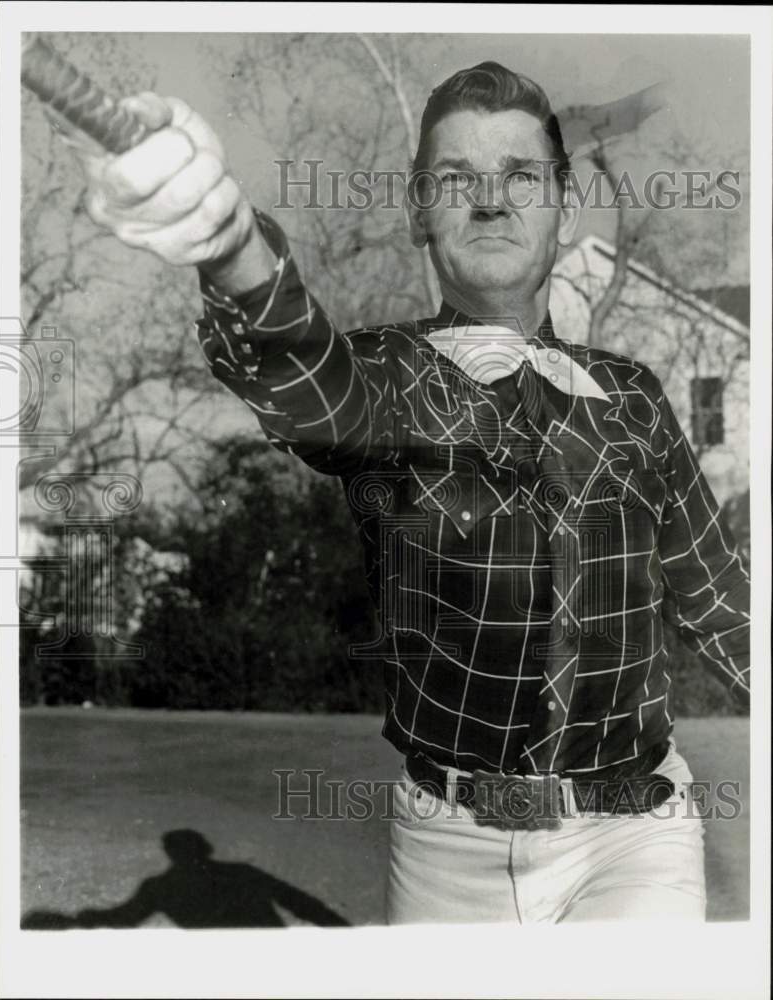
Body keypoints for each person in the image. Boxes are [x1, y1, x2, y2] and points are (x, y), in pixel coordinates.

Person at [76, 61, 750, 923]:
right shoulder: (382, 379)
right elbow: (302, 371)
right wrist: (229, 239)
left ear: (564, 208)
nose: (492, 200)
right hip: (446, 845)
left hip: (634, 835)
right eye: (456, 178)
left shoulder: (635, 397)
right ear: (417, 213)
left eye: (520, 176)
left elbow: (719, 596)